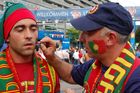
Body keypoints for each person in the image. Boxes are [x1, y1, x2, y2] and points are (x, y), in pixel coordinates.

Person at [39, 2, 140, 93]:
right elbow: (70, 74)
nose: (80, 38)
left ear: (110, 38)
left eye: (88, 32)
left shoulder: (135, 81)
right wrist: (51, 57)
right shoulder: (96, 64)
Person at [0, 3, 60, 93]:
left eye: (33, 29)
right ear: (7, 37)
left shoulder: (50, 71)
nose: (29, 35)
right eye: (20, 29)